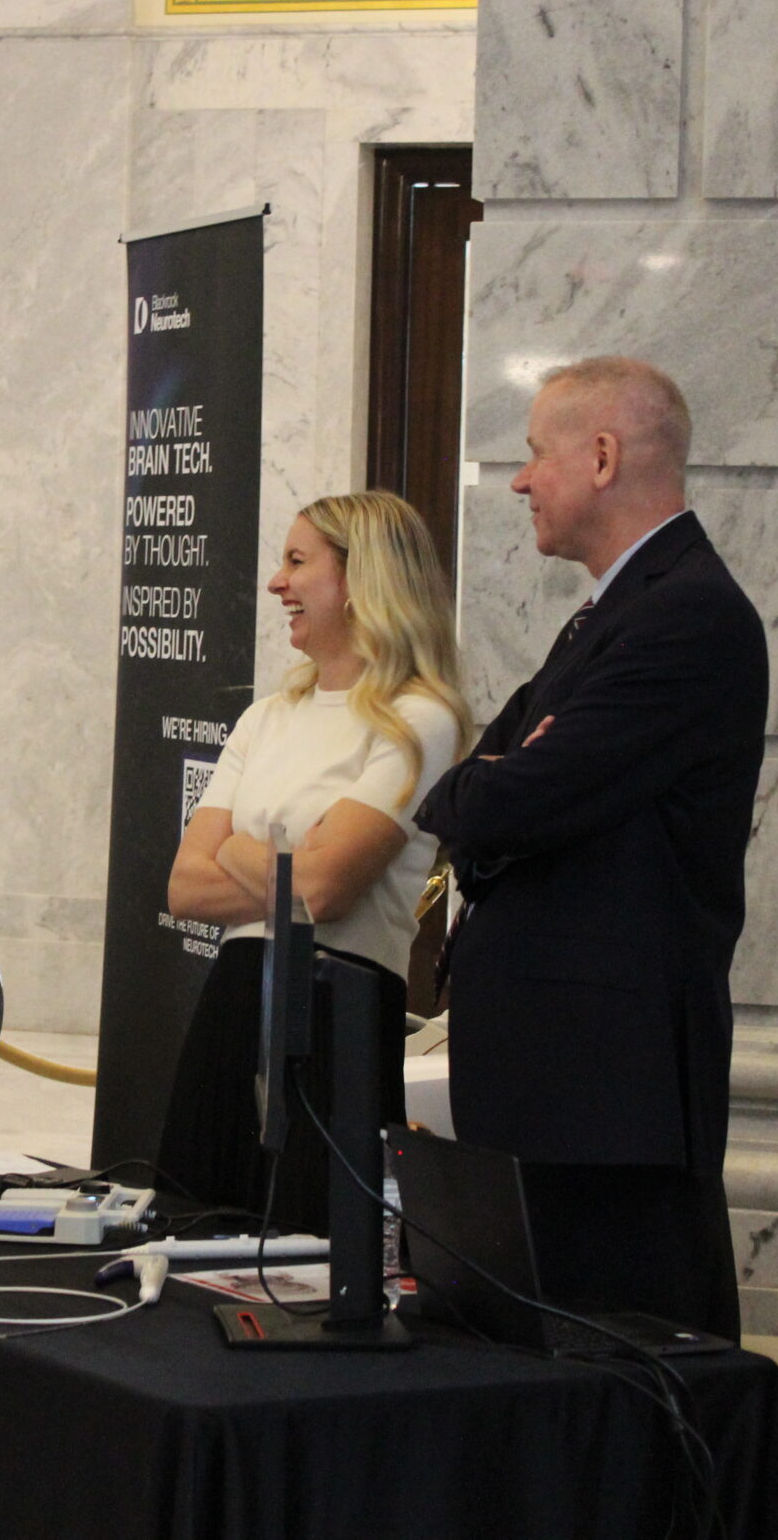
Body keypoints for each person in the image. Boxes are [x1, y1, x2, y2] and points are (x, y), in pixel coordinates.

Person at [414, 355, 766, 1341]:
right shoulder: (611, 615)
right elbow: (474, 789)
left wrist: (504, 792)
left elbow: (507, 801)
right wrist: (501, 792)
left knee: (617, 1378)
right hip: (562, 1092)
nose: (520, 480)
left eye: (536, 454)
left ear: (602, 457)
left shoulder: (686, 613)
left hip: (609, 1106)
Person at [160, 493, 470, 1229]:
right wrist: (289, 860)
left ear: (361, 580)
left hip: (338, 1015)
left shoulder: (420, 717)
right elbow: (184, 887)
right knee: (192, 1231)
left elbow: (327, 890)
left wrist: (235, 845)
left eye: (297, 562)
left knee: (309, 1251)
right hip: (233, 1003)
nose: (277, 582)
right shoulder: (266, 716)